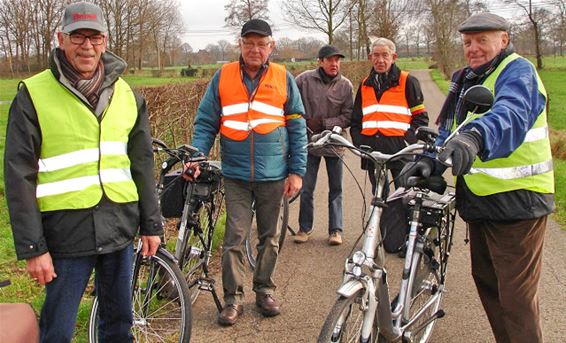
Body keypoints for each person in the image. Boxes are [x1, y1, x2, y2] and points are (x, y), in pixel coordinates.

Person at [3, 2, 163, 342]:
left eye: (95, 37)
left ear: (105, 41)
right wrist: (33, 248)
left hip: (120, 228)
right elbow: (19, 175)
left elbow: (141, 163)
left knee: (119, 326)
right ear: (61, 39)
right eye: (78, 36)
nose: (86, 46)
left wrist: (151, 225)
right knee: (58, 330)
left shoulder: (128, 96)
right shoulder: (34, 94)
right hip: (65, 236)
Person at [399, 12, 554, 343]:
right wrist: (431, 161)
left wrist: (476, 137)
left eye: (482, 40)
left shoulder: (517, 72)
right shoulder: (466, 78)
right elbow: (449, 131)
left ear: (504, 40)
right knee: (489, 286)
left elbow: (509, 114)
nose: (473, 48)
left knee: (515, 298)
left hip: (519, 202)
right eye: (468, 42)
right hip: (481, 202)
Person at [185, 19, 307, 326]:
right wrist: (197, 156)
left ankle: (264, 289)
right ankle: (233, 299)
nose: (255, 49)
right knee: (235, 237)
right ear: (240, 44)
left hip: (274, 174)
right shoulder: (223, 76)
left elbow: (297, 127)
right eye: (249, 43)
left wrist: (297, 171)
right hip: (237, 174)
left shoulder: (282, 77)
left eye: (261, 44)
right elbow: (205, 122)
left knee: (270, 238)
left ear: (271, 46)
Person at [350, 37, 429, 198]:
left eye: (385, 55)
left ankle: (403, 224)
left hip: (400, 150)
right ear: (370, 57)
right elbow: (356, 120)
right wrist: (360, 143)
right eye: (376, 55)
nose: (380, 60)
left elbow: (420, 118)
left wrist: (408, 140)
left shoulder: (408, 81)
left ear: (394, 57)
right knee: (379, 197)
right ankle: (383, 224)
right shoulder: (364, 84)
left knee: (404, 196)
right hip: (373, 151)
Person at [293, 45, 353, 246]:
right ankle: (304, 228)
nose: (334, 64)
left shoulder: (346, 86)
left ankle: (335, 231)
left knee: (336, 189)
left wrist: (325, 123)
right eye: (330, 60)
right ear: (320, 61)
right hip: (309, 144)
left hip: (335, 144)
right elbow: (292, 107)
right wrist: (304, 123)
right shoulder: (303, 80)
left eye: (337, 60)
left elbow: (348, 116)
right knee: (306, 188)